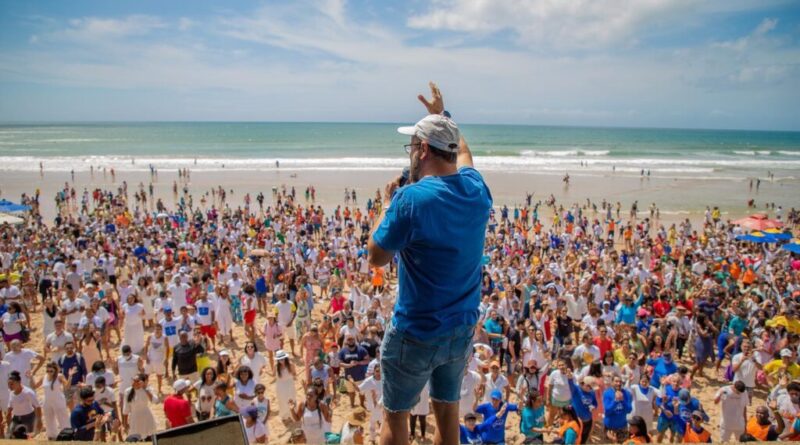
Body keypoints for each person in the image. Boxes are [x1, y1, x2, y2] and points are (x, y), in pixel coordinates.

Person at [370, 82, 490, 445]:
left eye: (411, 147)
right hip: (461, 327)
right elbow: (465, 152)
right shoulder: (476, 188)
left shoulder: (409, 199)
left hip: (415, 331)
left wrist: (386, 201)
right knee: (447, 412)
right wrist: (443, 114)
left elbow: (376, 257)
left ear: (422, 149)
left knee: (395, 417)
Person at [6, 370, 42, 438]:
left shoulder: (28, 392)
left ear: (19, 382)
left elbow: (37, 407)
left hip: (28, 418)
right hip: (16, 418)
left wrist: (39, 421)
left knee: (27, 439)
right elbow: (9, 409)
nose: (9, 386)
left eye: (12, 384)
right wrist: (8, 423)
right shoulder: (11, 393)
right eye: (8, 384)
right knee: (12, 437)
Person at [122, 373, 157, 438]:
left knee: (149, 437)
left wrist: (145, 388)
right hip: (134, 419)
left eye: (137, 381)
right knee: (135, 438)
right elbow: (126, 409)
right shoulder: (127, 391)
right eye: (133, 380)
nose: (134, 382)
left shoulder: (148, 389)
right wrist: (125, 423)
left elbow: (155, 400)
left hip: (146, 417)